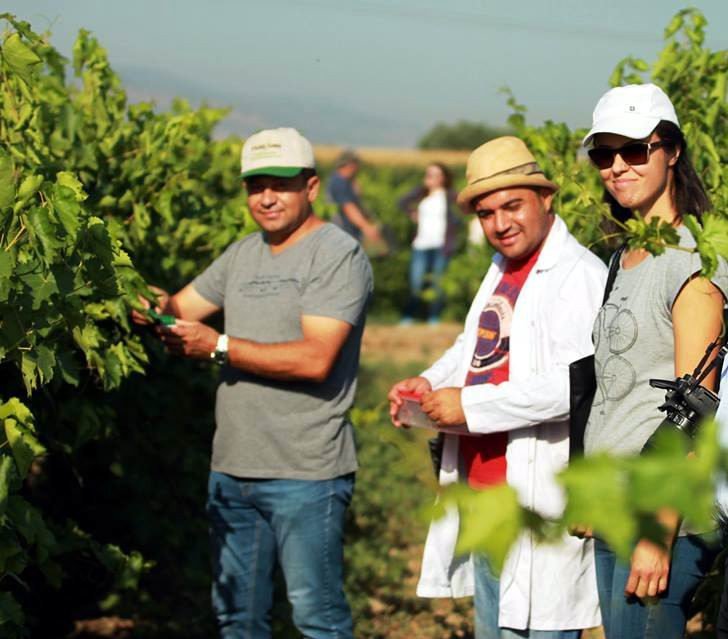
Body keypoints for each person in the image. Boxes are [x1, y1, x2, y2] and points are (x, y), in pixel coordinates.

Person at [133, 127, 373, 639]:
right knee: (237, 620)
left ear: (311, 187)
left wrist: (217, 346)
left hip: (305, 473)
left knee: (318, 618)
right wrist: (147, 301)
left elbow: (316, 359)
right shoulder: (243, 253)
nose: (266, 197)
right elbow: (179, 309)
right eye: (255, 185)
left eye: (280, 184)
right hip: (232, 469)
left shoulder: (336, 254)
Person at [387, 136, 607, 638]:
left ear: (545, 199)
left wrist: (470, 406)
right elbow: (478, 345)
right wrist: (431, 381)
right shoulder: (503, 268)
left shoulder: (578, 277)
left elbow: (573, 386)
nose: (501, 223)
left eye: (513, 206)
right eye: (488, 214)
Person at [580, 83, 728, 639]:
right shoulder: (625, 255)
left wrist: (656, 529)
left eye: (634, 150)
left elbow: (698, 404)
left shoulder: (690, 261)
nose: (617, 166)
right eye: (603, 154)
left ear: (672, 151)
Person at [398, 163, 461, 325]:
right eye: (428, 174)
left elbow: (463, 209)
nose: (431, 178)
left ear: (443, 178)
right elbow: (402, 202)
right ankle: (409, 316)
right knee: (416, 282)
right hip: (421, 244)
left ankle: (434, 317)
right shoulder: (421, 195)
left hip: (441, 245)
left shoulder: (449, 196)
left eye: (435, 175)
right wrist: (412, 212)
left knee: (438, 283)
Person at [327, 149, 383, 244]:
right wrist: (366, 227)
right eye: (357, 164)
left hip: (346, 233)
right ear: (351, 165)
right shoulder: (339, 182)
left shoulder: (343, 181)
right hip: (343, 234)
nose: (359, 168)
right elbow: (348, 207)